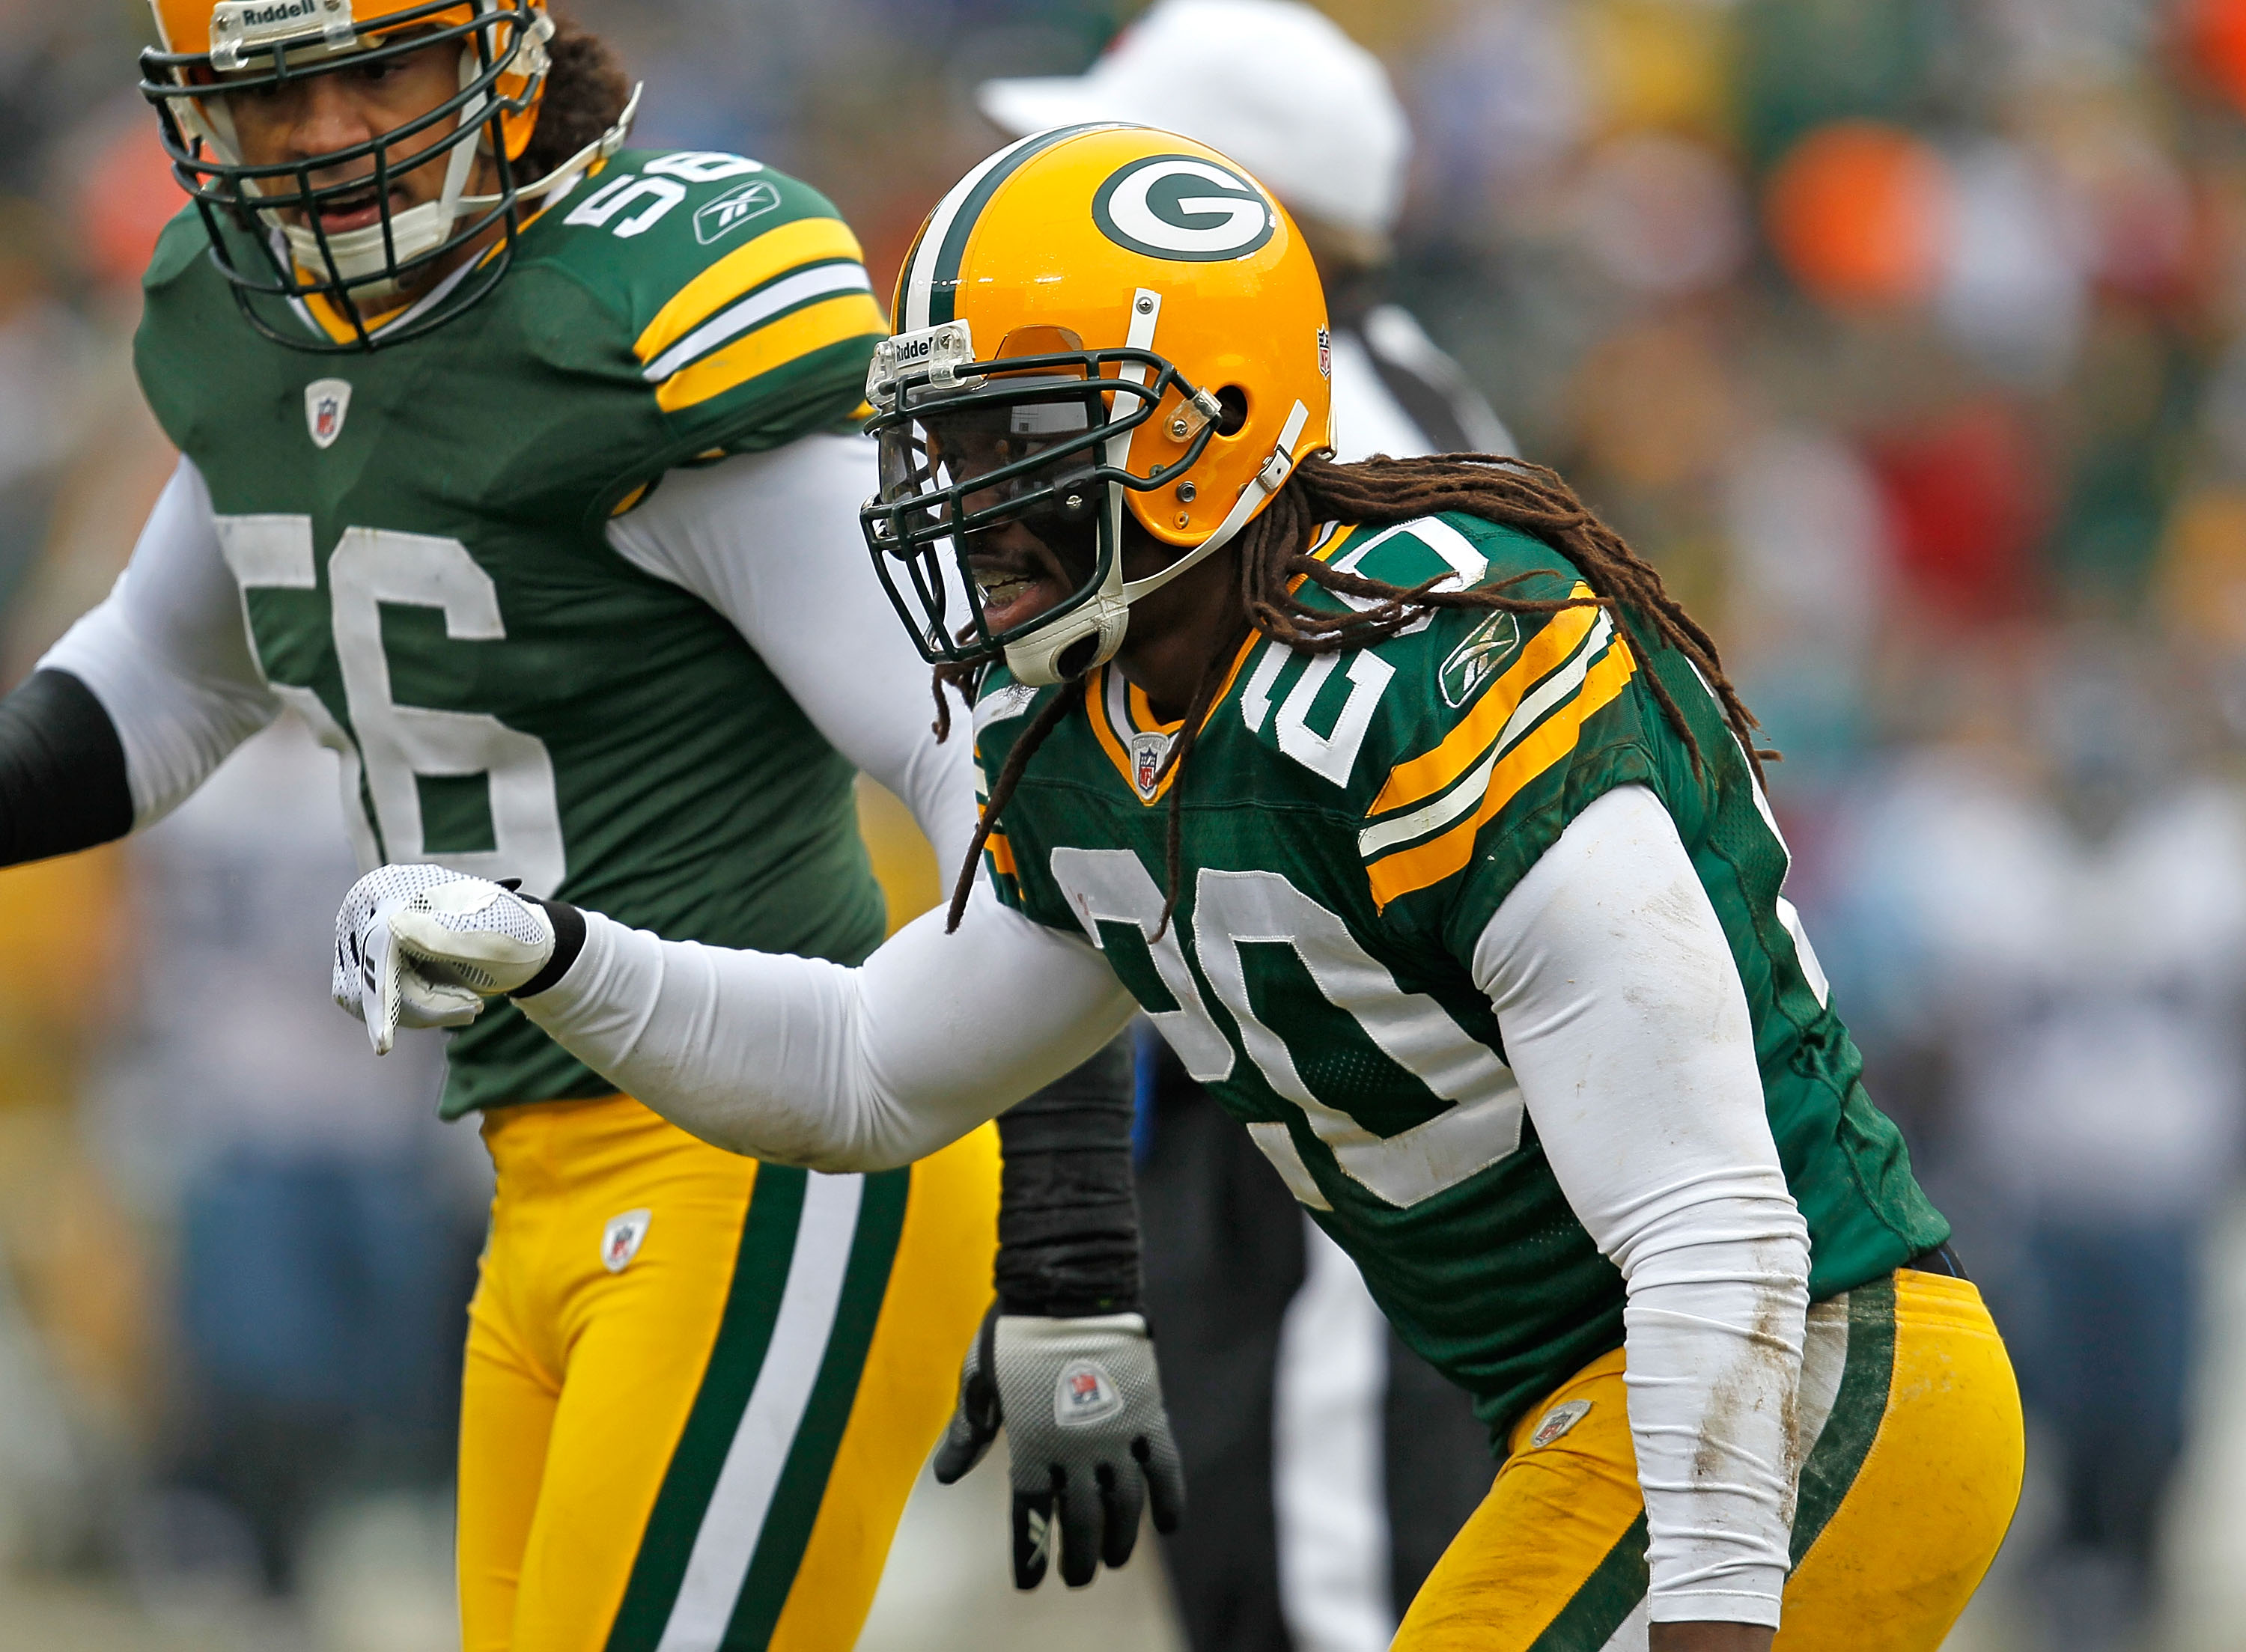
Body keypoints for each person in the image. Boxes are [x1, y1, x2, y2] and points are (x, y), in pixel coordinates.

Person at [335, 124, 2024, 1649]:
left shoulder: (1440, 669)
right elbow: (865, 1068)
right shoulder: (1101, 734)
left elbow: (1713, 1225)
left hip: (1811, 1377)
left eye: (1015, 438)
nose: (958, 501)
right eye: (940, 441)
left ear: (1207, 421)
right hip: (1597, 1421)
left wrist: (1720, 1622)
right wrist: (555, 955)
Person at [0, 5, 1173, 1647]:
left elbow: (1009, 777)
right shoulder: (252, 333)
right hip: (537, 1183)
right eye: (272, 89)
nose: (330, 129)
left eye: (382, 70)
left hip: (779, 1162)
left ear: (507, 53)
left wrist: (1069, 1255)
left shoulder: (633, 331)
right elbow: (158, 682)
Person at [976, 6, 1509, 1645]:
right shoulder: (1410, 388)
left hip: (1353, 1128)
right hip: (1311, 1109)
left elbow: (1111, 848)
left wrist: (1066, 1234)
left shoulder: (1293, 449)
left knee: (1327, 1598)